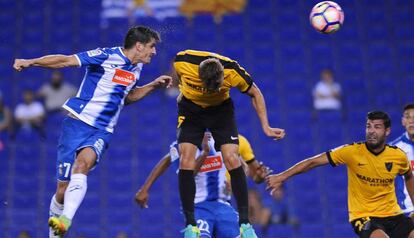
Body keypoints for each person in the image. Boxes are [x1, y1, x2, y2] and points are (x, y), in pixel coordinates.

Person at [13, 25, 172, 237]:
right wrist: (30, 62)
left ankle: (66, 220)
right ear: (139, 45)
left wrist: (152, 86)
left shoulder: (137, 68)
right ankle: (55, 232)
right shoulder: (106, 55)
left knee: (82, 165)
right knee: (62, 190)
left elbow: (127, 97)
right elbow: (66, 60)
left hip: (102, 130)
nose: (154, 52)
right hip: (76, 124)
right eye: (152, 47)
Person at [173, 49, 285, 237]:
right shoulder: (182, 62)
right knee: (186, 159)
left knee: (232, 158)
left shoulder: (233, 71)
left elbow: (255, 93)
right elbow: (179, 77)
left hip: (220, 111)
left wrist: (265, 126)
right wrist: (182, 92)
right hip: (191, 109)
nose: (211, 91)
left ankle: (245, 224)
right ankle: (191, 225)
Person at [266, 111, 414, 238]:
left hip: (393, 214)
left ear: (387, 131)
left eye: (377, 127)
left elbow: (408, 176)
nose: (371, 131)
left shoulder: (398, 156)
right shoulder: (352, 152)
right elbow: (313, 162)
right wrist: (282, 176)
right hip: (364, 216)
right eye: (368, 126)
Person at [135, 132, 272, 237]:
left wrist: (240, 175)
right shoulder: (182, 147)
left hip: (223, 205)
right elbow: (187, 174)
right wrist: (205, 153)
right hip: (198, 207)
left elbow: (245, 169)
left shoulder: (224, 140)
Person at [392, 104, 414, 219]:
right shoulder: (394, 149)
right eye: (408, 117)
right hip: (407, 211)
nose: (411, 121)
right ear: (403, 121)